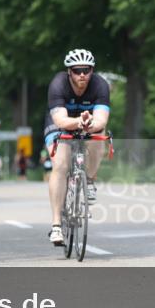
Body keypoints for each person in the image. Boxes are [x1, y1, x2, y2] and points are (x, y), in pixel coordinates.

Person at [43, 49, 110, 246]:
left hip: (87, 123)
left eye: (86, 70)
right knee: (61, 165)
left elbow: (101, 120)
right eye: (77, 70)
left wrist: (89, 123)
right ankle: (56, 225)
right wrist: (78, 122)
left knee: (99, 136)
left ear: (92, 71)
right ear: (69, 72)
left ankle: (89, 180)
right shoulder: (58, 84)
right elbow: (60, 120)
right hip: (59, 124)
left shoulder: (100, 85)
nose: (82, 74)